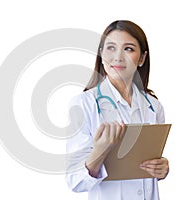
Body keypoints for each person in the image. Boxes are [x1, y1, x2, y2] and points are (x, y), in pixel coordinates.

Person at [66, 20, 169, 200]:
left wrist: (161, 168)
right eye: (111, 48)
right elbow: (75, 181)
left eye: (128, 49)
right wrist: (100, 151)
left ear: (142, 58)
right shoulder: (84, 105)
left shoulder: (154, 106)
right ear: (101, 54)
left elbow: (147, 167)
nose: (118, 57)